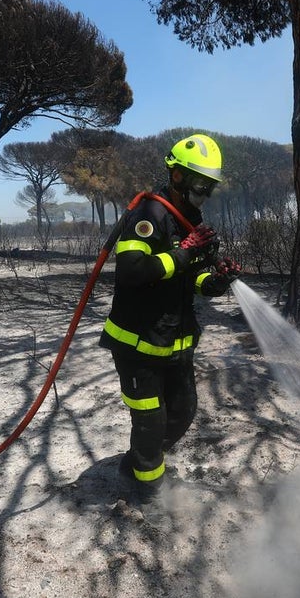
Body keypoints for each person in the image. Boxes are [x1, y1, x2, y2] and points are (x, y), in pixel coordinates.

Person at [99, 133, 242, 497]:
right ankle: (149, 494)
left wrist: (217, 281)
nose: (203, 191)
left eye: (209, 186)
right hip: (138, 345)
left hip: (175, 345)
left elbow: (194, 279)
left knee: (182, 413)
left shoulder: (190, 219)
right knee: (150, 421)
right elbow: (131, 270)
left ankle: (139, 462)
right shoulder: (149, 214)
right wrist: (183, 254)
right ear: (176, 175)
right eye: (198, 182)